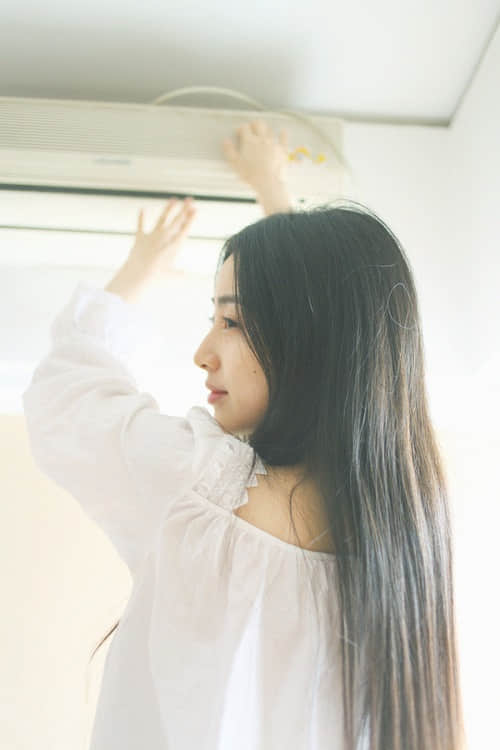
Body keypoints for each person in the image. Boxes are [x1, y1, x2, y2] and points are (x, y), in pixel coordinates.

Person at [22, 120, 465, 750]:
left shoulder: (202, 490)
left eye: (228, 321)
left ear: (305, 337)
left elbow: (65, 398)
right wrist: (272, 191)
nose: (202, 352)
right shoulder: (411, 543)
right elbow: (323, 310)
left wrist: (140, 270)